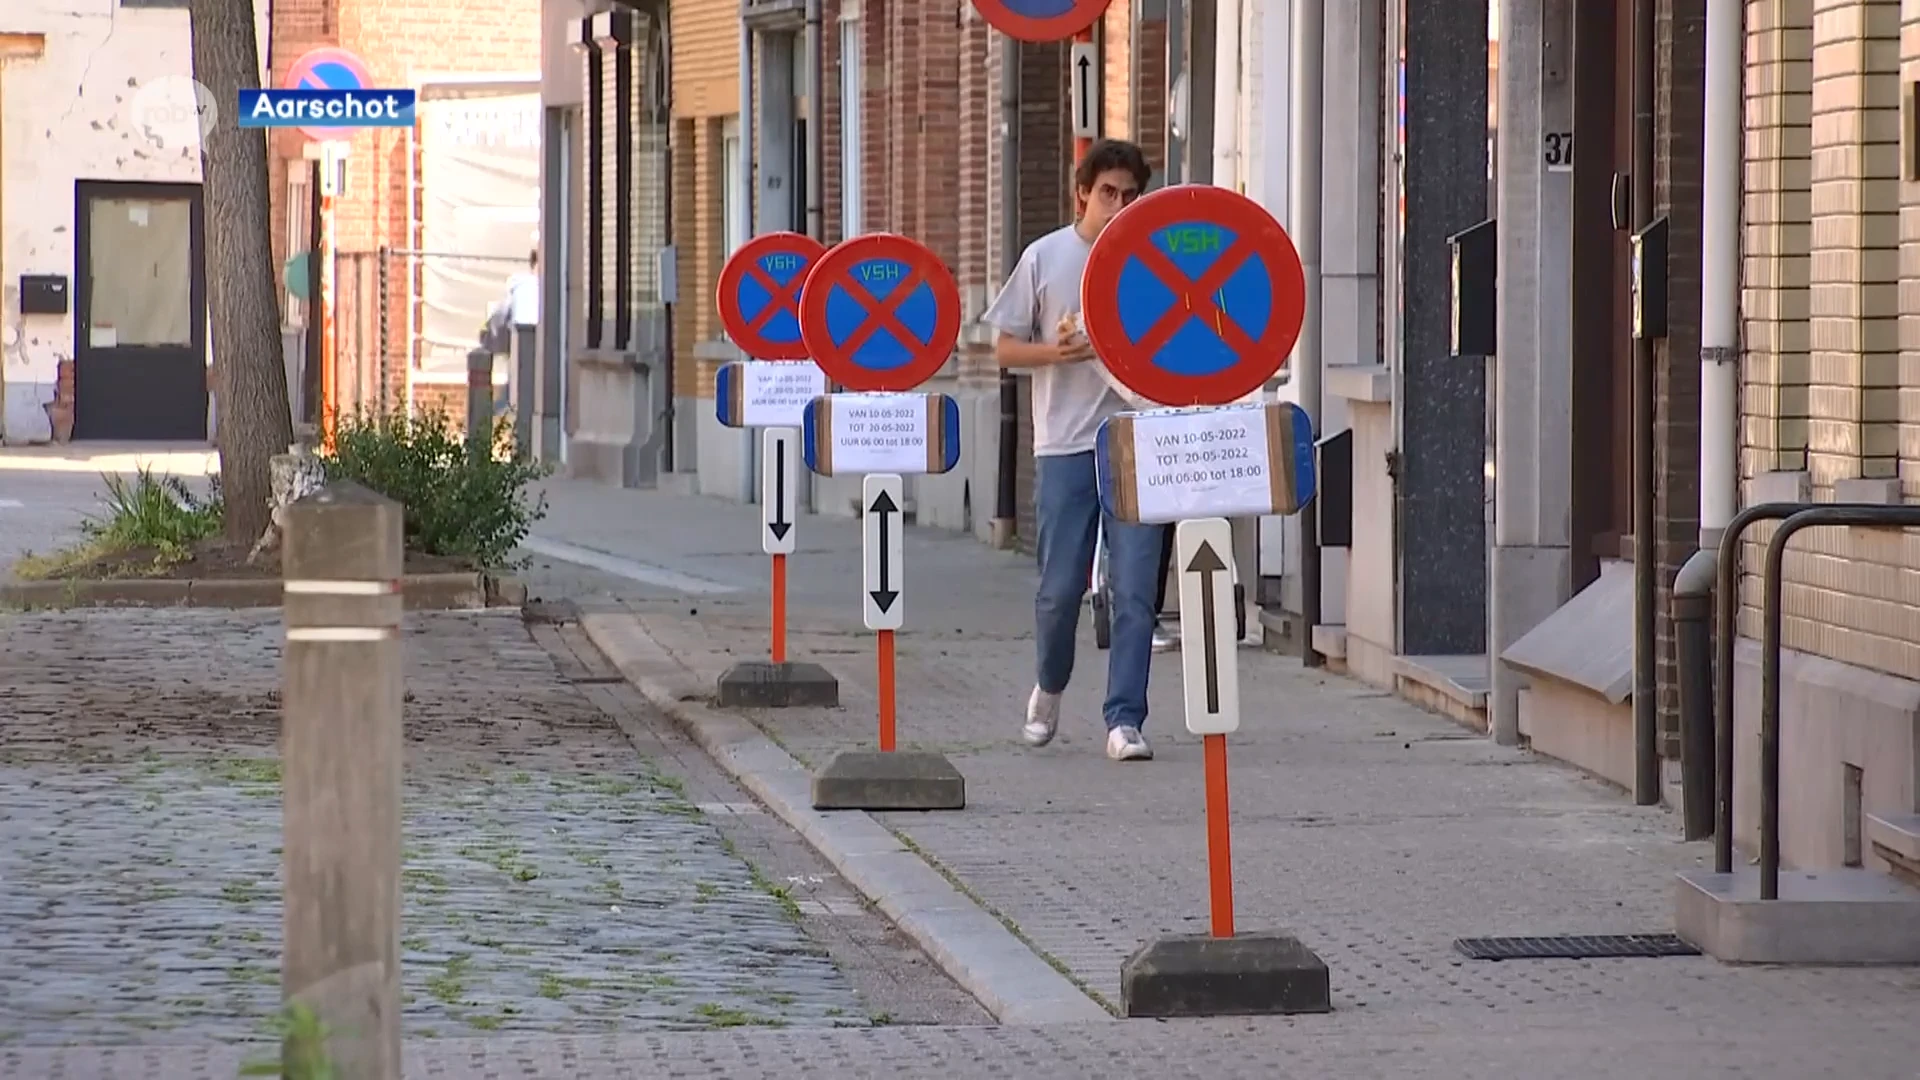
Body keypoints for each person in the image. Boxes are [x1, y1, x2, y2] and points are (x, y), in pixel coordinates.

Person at [981, 138, 1160, 762]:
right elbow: (1002, 347)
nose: (1117, 205)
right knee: (1059, 590)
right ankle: (1050, 685)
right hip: (1064, 445)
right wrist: (1054, 354)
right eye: (1107, 193)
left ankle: (1124, 720)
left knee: (1136, 588)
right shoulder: (1047, 256)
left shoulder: (1149, 258)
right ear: (1083, 192)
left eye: (1130, 195)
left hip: (1137, 440)